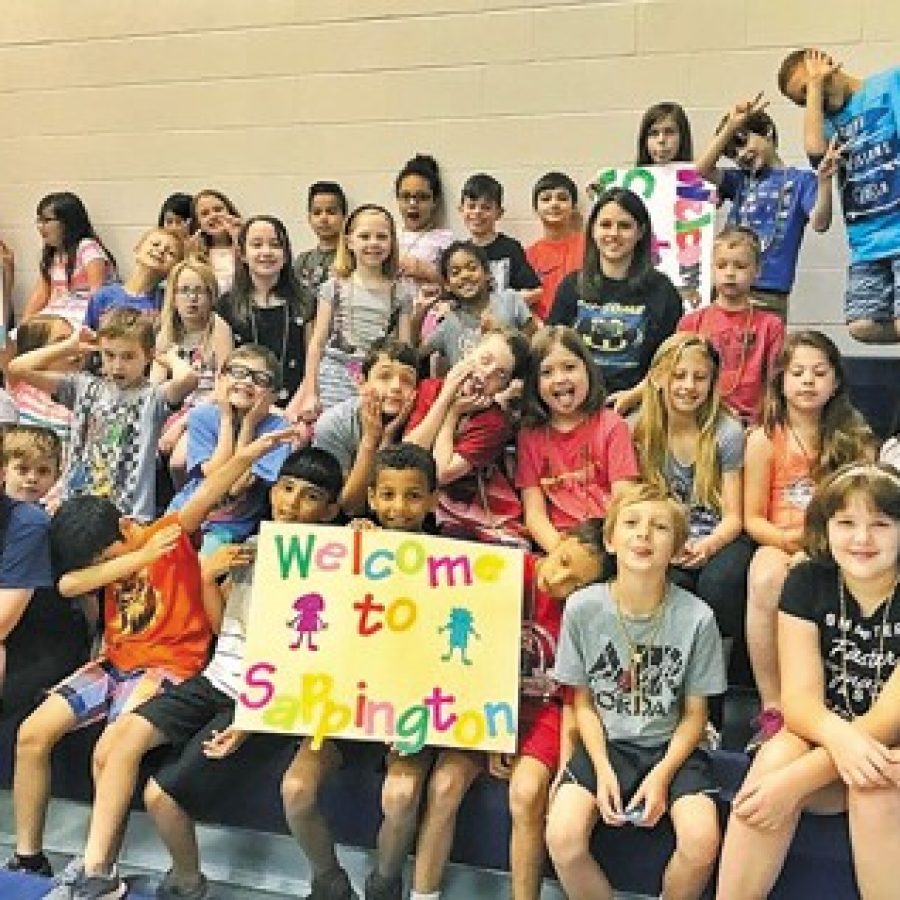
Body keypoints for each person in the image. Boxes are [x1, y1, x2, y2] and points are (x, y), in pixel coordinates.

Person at [4, 425, 296, 888]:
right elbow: (69, 585)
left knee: (110, 750)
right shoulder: (119, 555)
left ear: (125, 526)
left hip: (170, 665)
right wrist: (133, 561)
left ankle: (100, 870)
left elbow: (213, 489)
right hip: (116, 661)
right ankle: (28, 857)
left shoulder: (169, 534)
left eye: (107, 554)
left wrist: (254, 452)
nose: (101, 565)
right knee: (31, 735)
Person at [63, 447, 341, 900]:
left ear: (330, 509)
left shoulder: (332, 565)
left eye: (309, 496)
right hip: (216, 678)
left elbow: (312, 655)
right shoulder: (247, 547)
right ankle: (97, 869)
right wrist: (207, 579)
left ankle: (189, 883)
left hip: (260, 695)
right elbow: (222, 628)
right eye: (285, 489)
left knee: (159, 798)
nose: (291, 502)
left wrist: (248, 719)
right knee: (120, 743)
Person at [716, 463, 900, 900]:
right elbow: (798, 703)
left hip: (889, 750)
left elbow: (889, 720)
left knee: (876, 786)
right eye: (846, 523)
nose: (861, 539)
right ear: (825, 526)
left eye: (880, 524)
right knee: (776, 754)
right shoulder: (806, 580)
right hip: (831, 741)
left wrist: (792, 784)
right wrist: (831, 748)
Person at [545, 482, 726, 900]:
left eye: (660, 527)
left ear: (678, 549)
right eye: (631, 523)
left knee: (701, 842)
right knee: (562, 835)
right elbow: (583, 703)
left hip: (672, 747)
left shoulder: (698, 618)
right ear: (610, 540)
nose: (644, 534)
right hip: (606, 744)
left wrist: (662, 775)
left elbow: (696, 715)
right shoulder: (583, 608)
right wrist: (601, 768)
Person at [417, 520, 606, 900]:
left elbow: (573, 698)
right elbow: (468, 658)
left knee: (527, 791)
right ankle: (423, 893)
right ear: (560, 539)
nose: (559, 580)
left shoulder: (585, 611)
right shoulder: (503, 572)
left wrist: (565, 773)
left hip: (543, 710)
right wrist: (492, 730)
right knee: (444, 785)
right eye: (564, 561)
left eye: (576, 583)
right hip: (481, 699)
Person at [743, 330, 875, 747]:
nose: (807, 381)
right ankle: (774, 708)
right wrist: (790, 544)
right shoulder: (765, 438)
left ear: (836, 381)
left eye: (819, 372)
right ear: (781, 381)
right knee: (765, 574)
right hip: (780, 539)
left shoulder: (856, 437)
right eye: (797, 372)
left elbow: (866, 507)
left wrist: (819, 545)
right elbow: (751, 518)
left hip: (841, 542)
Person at [8, 306, 199, 521]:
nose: (118, 366)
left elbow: (188, 379)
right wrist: (68, 347)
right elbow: (18, 368)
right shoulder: (83, 386)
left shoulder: (153, 397)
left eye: (128, 356)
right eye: (109, 355)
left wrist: (167, 358)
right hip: (76, 506)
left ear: (147, 356)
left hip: (127, 514)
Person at [633, 333, 754, 659]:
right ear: (658, 377)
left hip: (721, 536)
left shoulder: (725, 432)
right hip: (669, 536)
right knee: (669, 583)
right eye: (679, 375)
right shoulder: (639, 430)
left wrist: (708, 546)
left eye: (700, 377)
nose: (689, 386)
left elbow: (733, 517)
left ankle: (715, 687)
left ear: (712, 382)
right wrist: (667, 545)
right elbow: (638, 503)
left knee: (719, 584)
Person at [778, 48, 900, 343]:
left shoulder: (888, 84)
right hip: (867, 241)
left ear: (828, 64)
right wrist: (816, 91)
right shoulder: (827, 125)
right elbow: (817, 154)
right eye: (802, 98)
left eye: (809, 87)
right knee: (861, 325)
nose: (812, 99)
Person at [695, 95, 836, 318]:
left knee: (766, 349)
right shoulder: (740, 180)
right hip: (728, 288)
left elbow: (820, 222)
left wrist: (825, 183)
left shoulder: (801, 180)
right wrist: (731, 126)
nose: (740, 155)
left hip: (771, 292)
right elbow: (701, 169)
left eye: (742, 142)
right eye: (732, 154)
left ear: (767, 132)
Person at [547, 187, 683, 408]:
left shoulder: (662, 290)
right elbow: (550, 348)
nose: (614, 234)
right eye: (606, 224)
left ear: (641, 232)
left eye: (625, 226)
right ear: (592, 230)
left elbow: (671, 359)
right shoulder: (571, 286)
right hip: (574, 402)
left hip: (639, 403)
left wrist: (636, 395)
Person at [516, 326, 639, 553]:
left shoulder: (613, 426)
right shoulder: (529, 436)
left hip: (609, 543)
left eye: (570, 367)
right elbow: (535, 516)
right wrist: (562, 552)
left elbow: (625, 501)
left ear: (588, 370)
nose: (560, 379)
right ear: (534, 383)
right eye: (547, 372)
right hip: (557, 546)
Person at [405, 327, 531, 547]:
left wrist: (452, 416)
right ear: (468, 351)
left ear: (505, 386)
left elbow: (440, 473)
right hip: (416, 497)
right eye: (485, 360)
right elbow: (407, 457)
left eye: (500, 374)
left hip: (464, 512)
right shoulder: (429, 388)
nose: (486, 373)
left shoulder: (494, 423)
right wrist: (446, 398)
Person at [167, 344, 291, 553]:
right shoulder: (203, 416)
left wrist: (249, 425)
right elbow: (216, 478)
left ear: (273, 395)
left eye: (260, 379)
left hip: (229, 527)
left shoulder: (278, 431)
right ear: (220, 380)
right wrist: (226, 419)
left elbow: (234, 487)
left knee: (202, 564)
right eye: (237, 372)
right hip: (185, 509)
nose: (246, 382)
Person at [0, 426, 88, 714]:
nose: (31, 479)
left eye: (42, 471)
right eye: (22, 469)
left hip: (41, 635)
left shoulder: (37, 522)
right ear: (5, 471)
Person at [298, 204, 413, 418]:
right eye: (365, 236)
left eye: (381, 237)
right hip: (335, 375)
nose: (373, 243)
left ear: (391, 242)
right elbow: (317, 343)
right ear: (350, 241)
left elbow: (404, 349)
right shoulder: (334, 286)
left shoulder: (400, 293)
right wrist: (310, 392)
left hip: (377, 378)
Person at [677, 226, 785, 425]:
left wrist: (766, 423)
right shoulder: (691, 323)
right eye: (722, 265)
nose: (730, 273)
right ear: (712, 268)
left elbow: (776, 383)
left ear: (757, 271)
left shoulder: (770, 325)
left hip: (752, 422)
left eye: (740, 266)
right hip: (701, 419)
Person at [312, 337, 419, 516]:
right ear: (361, 382)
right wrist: (370, 440)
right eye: (384, 377)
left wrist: (387, 438)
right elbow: (348, 507)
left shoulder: (420, 420)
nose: (396, 387)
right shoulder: (333, 423)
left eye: (407, 380)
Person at [154, 258, 234, 483]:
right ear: (173, 297)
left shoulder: (217, 327)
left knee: (179, 462)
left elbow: (223, 386)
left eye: (200, 291)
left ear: (211, 296)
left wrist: (180, 424)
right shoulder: (165, 331)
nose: (192, 298)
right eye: (184, 291)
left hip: (207, 407)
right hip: (173, 407)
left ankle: (188, 505)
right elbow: (155, 385)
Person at [218, 215, 310, 409]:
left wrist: (291, 411)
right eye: (257, 244)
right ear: (242, 254)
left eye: (275, 245)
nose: (266, 252)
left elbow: (312, 370)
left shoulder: (306, 302)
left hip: (296, 407)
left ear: (286, 254)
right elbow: (224, 374)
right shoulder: (226, 306)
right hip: (243, 405)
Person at [412, 241, 536, 370]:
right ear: (447, 285)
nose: (465, 276)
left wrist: (502, 331)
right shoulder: (448, 324)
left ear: (487, 273)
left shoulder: (510, 300)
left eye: (472, 268)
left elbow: (534, 346)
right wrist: (420, 314)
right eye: (455, 273)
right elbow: (415, 355)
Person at [21, 191, 117, 326]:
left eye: (47, 220)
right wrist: (23, 325)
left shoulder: (87, 247)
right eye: (39, 220)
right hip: (58, 316)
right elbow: (40, 294)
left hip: (82, 318)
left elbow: (98, 295)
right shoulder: (52, 255)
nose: (40, 226)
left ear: (68, 222)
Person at [84, 227, 184, 331]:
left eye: (171, 253)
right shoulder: (103, 295)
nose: (161, 250)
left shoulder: (168, 303)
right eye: (155, 244)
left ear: (174, 268)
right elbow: (86, 338)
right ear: (137, 250)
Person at [458, 173, 541, 298]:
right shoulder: (459, 253)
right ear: (461, 209)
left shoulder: (510, 248)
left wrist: (504, 306)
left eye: (486, 207)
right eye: (471, 206)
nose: (477, 212)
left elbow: (535, 291)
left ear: (499, 213)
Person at [526, 171, 585, 323]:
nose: (554, 204)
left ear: (574, 207)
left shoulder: (591, 248)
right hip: (544, 332)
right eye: (546, 199)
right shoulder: (528, 256)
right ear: (535, 209)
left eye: (562, 198)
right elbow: (525, 305)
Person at [395, 154, 455, 288]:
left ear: (435, 201)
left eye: (422, 197)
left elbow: (458, 287)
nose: (413, 204)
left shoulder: (446, 241)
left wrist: (428, 272)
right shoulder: (388, 236)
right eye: (405, 197)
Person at [294, 181, 347, 314]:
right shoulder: (302, 260)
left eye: (331, 212)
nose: (323, 218)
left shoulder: (353, 258)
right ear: (309, 218)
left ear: (344, 216)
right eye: (317, 212)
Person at [189, 189, 242, 294]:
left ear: (230, 212)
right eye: (205, 214)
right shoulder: (196, 254)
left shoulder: (248, 247)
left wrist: (239, 239)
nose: (213, 216)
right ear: (198, 224)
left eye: (218, 210)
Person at [635, 101, 694, 166]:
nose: (661, 140)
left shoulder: (696, 175)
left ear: (682, 137)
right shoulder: (632, 176)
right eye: (654, 133)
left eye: (669, 132)